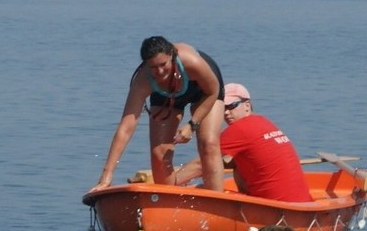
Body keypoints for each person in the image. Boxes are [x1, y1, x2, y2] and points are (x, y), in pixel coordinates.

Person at [87, 36, 225, 193]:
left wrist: (192, 125)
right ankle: (178, 193)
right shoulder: (142, 81)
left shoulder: (192, 63)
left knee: (208, 143)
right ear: (146, 64)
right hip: (167, 95)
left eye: (163, 64)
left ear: (172, 57)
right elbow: (125, 128)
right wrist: (106, 176)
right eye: (153, 67)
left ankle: (216, 200)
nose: (159, 72)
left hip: (205, 91)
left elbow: (213, 91)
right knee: (159, 156)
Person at [176, 83, 312, 202]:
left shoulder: (240, 129)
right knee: (237, 161)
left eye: (232, 106)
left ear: (247, 105)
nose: (226, 113)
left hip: (277, 209)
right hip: (302, 203)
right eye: (223, 108)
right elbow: (220, 161)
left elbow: (202, 163)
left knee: (202, 187)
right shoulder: (264, 123)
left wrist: (171, 183)